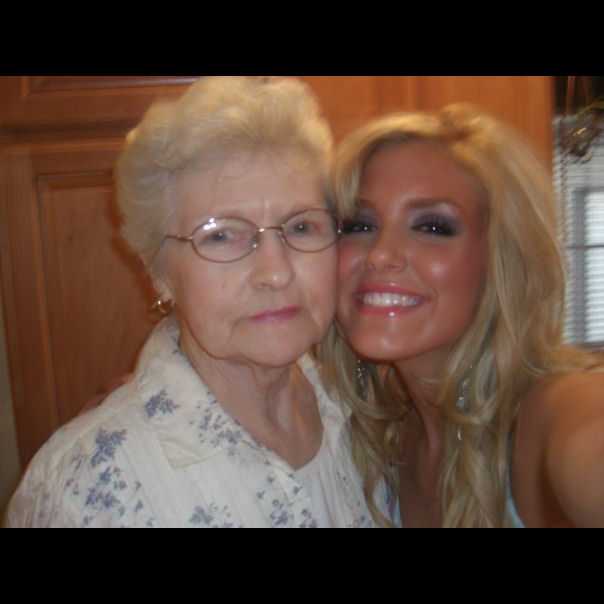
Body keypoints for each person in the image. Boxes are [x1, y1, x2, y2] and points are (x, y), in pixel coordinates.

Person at [6, 76, 392, 528]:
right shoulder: (83, 490)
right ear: (158, 272)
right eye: (221, 235)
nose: (275, 273)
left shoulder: (364, 408)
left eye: (302, 227)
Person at [316, 103, 604, 527]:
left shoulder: (553, 411)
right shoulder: (382, 434)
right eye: (359, 225)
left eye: (432, 227)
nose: (379, 255)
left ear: (500, 260)